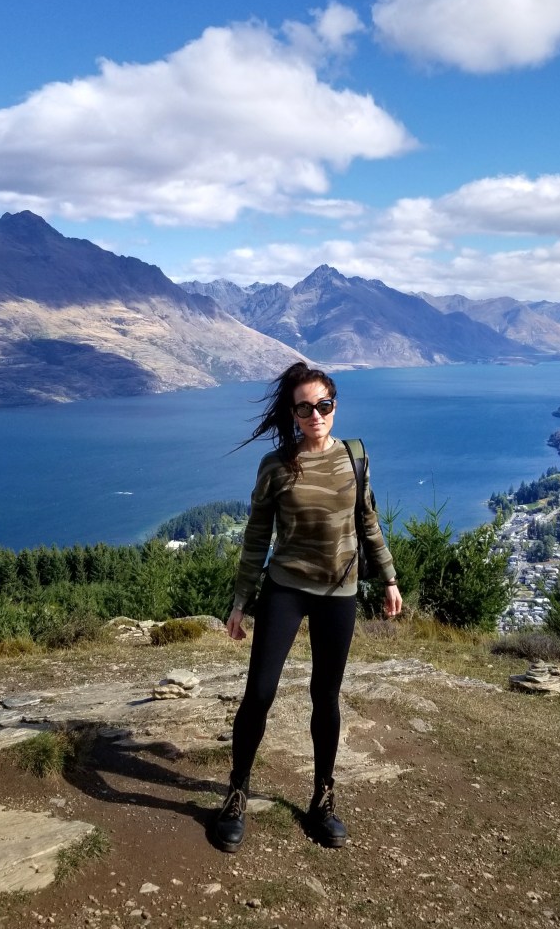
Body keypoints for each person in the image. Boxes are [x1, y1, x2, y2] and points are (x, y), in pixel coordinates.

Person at [212, 362, 402, 853]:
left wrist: (389, 578)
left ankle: (323, 797)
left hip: (340, 591)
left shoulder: (355, 456)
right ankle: (237, 792)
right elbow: (257, 536)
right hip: (286, 588)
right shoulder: (276, 465)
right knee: (259, 693)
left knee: (326, 696)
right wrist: (240, 601)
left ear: (335, 407)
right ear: (293, 414)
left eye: (323, 405)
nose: (315, 414)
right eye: (304, 408)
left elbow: (367, 520)